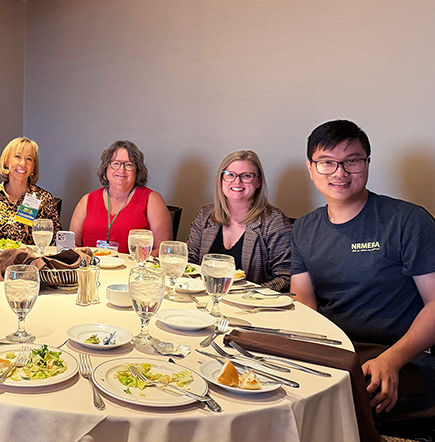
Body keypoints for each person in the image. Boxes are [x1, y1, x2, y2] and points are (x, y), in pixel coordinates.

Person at [291, 119, 435, 415]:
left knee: (336, 403)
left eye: (351, 161)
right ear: (311, 168)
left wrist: (392, 360)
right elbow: (304, 301)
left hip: (400, 352)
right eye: (327, 162)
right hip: (336, 347)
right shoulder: (303, 229)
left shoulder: (407, 221)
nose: (340, 172)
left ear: (366, 163)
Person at [186, 150, 292, 292]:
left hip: (253, 307)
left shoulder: (274, 222)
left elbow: (286, 277)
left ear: (258, 181)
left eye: (246, 176)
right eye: (230, 175)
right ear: (221, 179)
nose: (237, 181)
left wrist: (247, 295)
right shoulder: (204, 216)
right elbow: (189, 263)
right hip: (204, 299)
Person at [69, 140, 171, 253]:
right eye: (116, 163)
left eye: (128, 165)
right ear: (106, 167)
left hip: (132, 269)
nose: (121, 170)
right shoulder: (87, 200)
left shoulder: (152, 200)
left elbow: (162, 250)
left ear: (137, 171)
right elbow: (73, 245)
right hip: (91, 269)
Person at [0, 137, 62, 244]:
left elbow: (56, 242)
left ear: (33, 167)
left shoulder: (44, 198)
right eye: (18, 156)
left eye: (29, 159)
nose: (23, 163)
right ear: (6, 162)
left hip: (31, 260)